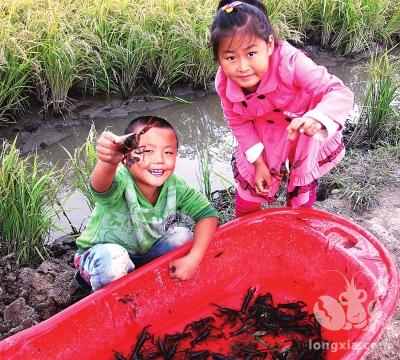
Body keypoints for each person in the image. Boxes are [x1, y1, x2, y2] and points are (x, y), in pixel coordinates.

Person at [211, 0, 354, 217]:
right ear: (219, 59)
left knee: (300, 200)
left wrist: (316, 118)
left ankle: (297, 228)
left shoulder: (291, 62)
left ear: (269, 45)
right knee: (249, 198)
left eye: (251, 53)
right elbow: (237, 122)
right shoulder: (224, 83)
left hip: (302, 135)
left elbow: (338, 92)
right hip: (262, 140)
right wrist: (258, 163)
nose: (242, 67)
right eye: (230, 57)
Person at [74, 116, 218, 291]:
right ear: (125, 157)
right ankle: (92, 283)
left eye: (168, 152)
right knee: (113, 259)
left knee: (183, 237)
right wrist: (108, 162)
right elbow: (100, 187)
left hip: (144, 254)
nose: (159, 159)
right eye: (147, 151)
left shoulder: (176, 185)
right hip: (102, 256)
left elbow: (207, 214)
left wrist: (193, 259)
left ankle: (142, 278)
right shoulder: (120, 178)